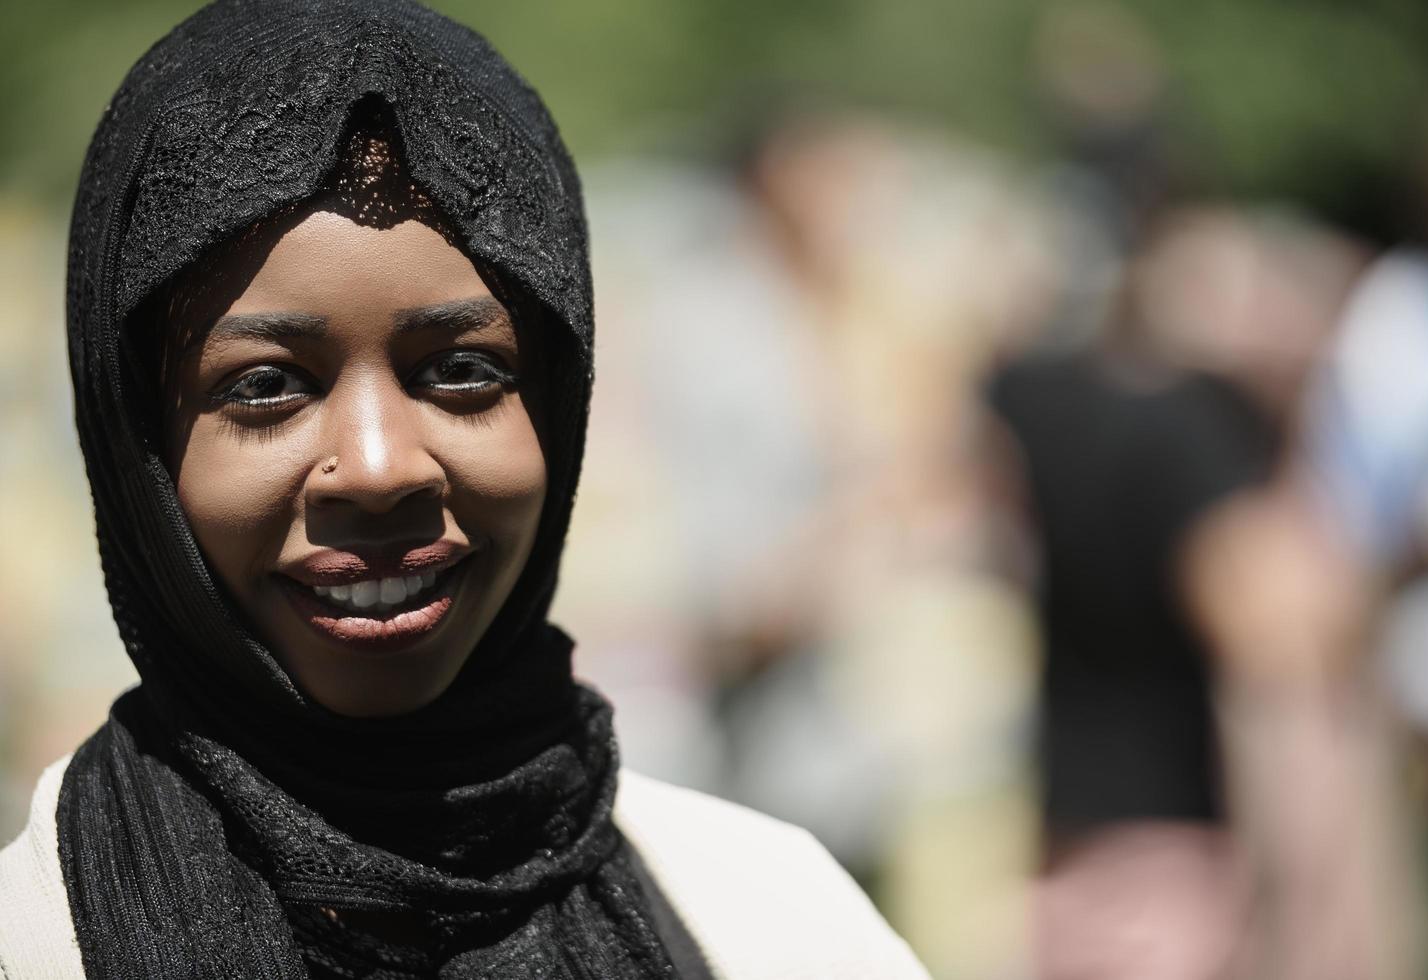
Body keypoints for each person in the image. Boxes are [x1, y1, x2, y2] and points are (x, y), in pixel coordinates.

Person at [0, 2, 930, 978]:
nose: (378, 465)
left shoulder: (771, 918)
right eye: (266, 385)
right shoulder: (37, 938)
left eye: (460, 371)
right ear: (136, 442)